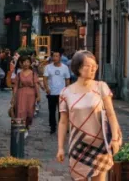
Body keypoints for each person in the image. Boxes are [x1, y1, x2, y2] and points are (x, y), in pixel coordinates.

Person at [56, 51, 122, 181]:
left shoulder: (101, 87)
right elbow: (63, 122)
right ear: (78, 68)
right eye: (88, 65)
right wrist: (60, 148)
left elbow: (111, 114)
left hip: (100, 143)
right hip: (78, 144)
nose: (93, 69)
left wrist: (114, 138)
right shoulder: (66, 93)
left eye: (95, 66)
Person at [43, 50, 74, 135]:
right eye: (54, 56)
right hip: (51, 92)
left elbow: (67, 79)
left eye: (57, 56)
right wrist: (47, 88)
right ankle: (52, 127)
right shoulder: (48, 67)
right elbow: (45, 78)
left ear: (60, 57)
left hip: (62, 93)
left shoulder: (65, 67)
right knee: (52, 111)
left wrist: (67, 90)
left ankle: (62, 126)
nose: (55, 58)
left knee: (62, 111)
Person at [11, 55, 40, 128]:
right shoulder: (19, 74)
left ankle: (27, 126)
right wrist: (13, 97)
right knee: (20, 111)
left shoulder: (33, 74)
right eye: (24, 62)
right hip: (21, 94)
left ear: (30, 63)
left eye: (28, 62)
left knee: (30, 113)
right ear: (21, 63)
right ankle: (20, 129)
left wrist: (38, 95)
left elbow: (36, 85)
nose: (26, 64)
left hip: (31, 94)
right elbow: (15, 87)